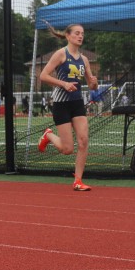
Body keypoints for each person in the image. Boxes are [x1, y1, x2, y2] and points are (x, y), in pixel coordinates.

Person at [38, 23, 98, 192]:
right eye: (77, 33)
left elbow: (91, 85)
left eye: (82, 33)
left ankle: (78, 181)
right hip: (61, 104)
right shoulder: (60, 54)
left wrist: (94, 83)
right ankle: (48, 135)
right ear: (68, 36)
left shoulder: (84, 60)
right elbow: (43, 76)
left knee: (83, 141)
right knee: (67, 149)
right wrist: (63, 84)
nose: (80, 36)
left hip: (77, 103)